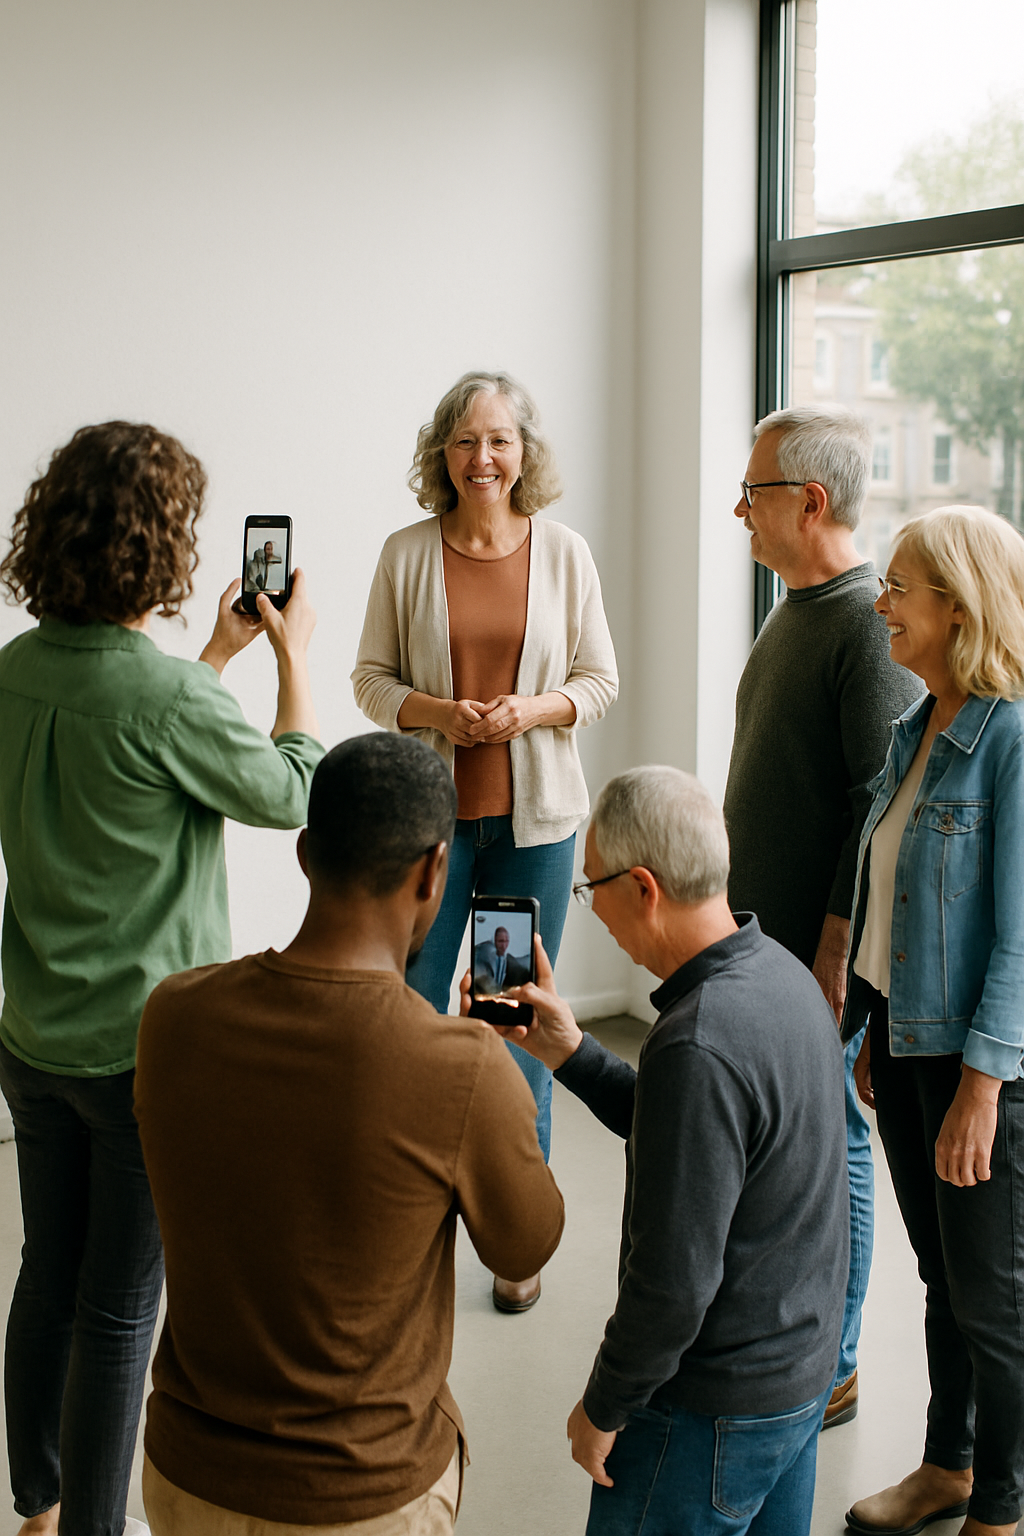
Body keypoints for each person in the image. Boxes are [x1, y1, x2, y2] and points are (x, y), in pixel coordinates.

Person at [0, 421, 323, 1536]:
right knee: (118, 1303)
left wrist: (216, 659)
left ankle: (39, 1507)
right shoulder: (167, 702)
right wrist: (291, 660)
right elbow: (290, 794)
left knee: (48, 1270)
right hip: (144, 1054)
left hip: (32, 1032)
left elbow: (120, 743)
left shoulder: (15, 672)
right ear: (162, 547)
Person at [134, 733, 564, 1536]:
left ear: (304, 853)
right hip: (364, 1498)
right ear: (437, 871)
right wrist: (500, 1076)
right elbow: (524, 1248)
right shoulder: (462, 1065)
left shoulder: (172, 1016)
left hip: (185, 1477)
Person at [472, 765, 849, 1536]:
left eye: (590, 888)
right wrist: (572, 1052)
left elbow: (673, 1282)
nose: (590, 909)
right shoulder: (781, 977)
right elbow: (702, 1141)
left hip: (708, 1415)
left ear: (642, 887)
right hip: (797, 1382)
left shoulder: (699, 1043)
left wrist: (605, 1404)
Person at [352, 370, 617, 1312]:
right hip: (432, 824)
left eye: (499, 440)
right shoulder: (406, 552)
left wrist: (530, 710)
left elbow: (597, 680)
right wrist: (438, 713)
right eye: (465, 442)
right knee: (417, 1012)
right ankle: (410, 1207)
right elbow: (371, 681)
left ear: (524, 452)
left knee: (515, 1016)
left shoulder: (566, 552)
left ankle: (517, 1232)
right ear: (443, 455)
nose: (483, 458)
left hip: (536, 824)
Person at [722, 405, 922, 1428]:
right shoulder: (796, 606)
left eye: (752, 493)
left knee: (833, 1141)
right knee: (791, 1147)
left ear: (807, 501)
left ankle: (835, 1361)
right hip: (765, 944)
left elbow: (874, 803)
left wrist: (835, 944)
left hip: (814, 957)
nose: (738, 511)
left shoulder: (859, 622)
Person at [843, 507, 1024, 1536]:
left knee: (994, 1306)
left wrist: (981, 1088)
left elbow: (1015, 936)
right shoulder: (915, 729)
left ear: (956, 606)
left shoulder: (1009, 740)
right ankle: (946, 1466)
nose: (881, 607)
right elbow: (892, 902)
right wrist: (872, 1022)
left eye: (899, 590)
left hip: (978, 1070)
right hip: (907, 1047)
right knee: (942, 1282)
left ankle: (998, 1504)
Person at [473, 925, 530, 995]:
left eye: (506, 941)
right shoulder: (484, 959)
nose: (504, 945)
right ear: (495, 940)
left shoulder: (511, 963)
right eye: (501, 941)